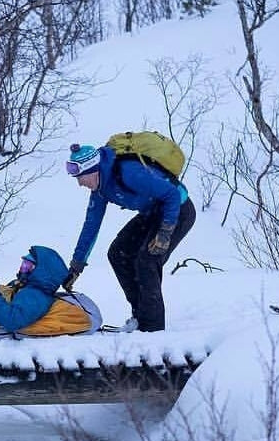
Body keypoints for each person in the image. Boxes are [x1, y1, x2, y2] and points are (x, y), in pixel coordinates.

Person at [62, 142, 196, 332]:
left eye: (81, 177)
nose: (80, 183)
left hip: (177, 211)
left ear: (93, 170)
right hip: (152, 212)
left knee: (147, 260)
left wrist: (165, 232)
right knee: (118, 253)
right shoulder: (100, 189)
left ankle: (153, 329)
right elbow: (91, 227)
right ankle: (140, 318)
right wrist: (76, 266)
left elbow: (172, 195)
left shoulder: (129, 173)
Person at [0, 245, 68, 332]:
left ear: (42, 272)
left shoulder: (36, 296)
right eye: (23, 263)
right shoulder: (25, 286)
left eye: (27, 265)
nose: (22, 269)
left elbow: (12, 321)